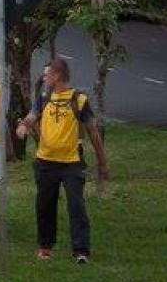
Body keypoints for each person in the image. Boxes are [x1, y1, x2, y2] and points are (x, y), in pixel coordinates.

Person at [16, 58, 109, 264]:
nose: (44, 77)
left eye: (47, 74)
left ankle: (81, 250)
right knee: (44, 204)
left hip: (71, 163)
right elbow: (32, 116)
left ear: (57, 75)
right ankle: (45, 246)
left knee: (76, 206)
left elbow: (93, 132)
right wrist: (24, 126)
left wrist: (102, 162)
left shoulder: (79, 100)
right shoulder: (44, 97)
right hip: (45, 162)